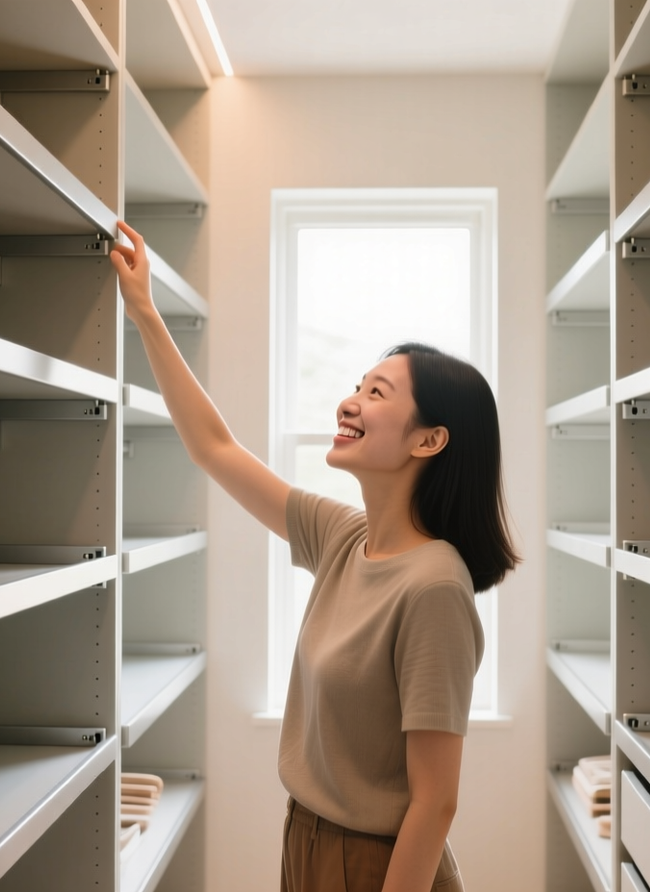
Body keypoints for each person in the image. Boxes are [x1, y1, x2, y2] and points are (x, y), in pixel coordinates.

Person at [111, 221, 520, 892]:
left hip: (377, 866)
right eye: (358, 386)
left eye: (377, 394)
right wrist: (144, 313)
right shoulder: (342, 537)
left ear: (428, 441)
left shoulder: (433, 587)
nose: (348, 403)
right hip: (305, 840)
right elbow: (215, 448)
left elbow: (435, 802)